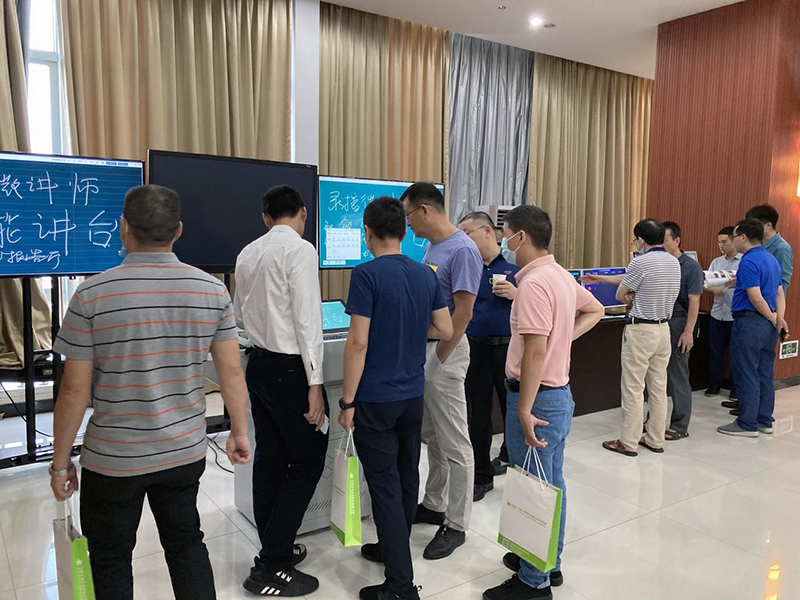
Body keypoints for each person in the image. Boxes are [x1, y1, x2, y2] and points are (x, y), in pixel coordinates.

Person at [49, 185, 252, 600]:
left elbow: (73, 390)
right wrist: (239, 431)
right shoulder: (212, 290)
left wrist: (60, 463)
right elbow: (231, 371)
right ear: (178, 231)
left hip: (113, 460)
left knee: (110, 559)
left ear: (123, 228)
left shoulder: (91, 294)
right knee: (186, 544)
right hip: (183, 452)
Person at [482, 205, 605, 600]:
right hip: (557, 396)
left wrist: (523, 408)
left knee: (534, 487)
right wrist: (561, 339)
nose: (504, 242)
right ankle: (547, 563)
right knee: (550, 484)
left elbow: (535, 352)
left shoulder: (534, 284)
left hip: (537, 399)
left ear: (521, 237)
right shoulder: (560, 275)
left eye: (506, 234)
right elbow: (595, 309)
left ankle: (533, 582)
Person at [337, 197, 453, 600]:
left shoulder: (366, 274)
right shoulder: (424, 274)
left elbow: (358, 343)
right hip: (412, 394)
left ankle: (401, 585)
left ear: (367, 232)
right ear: (404, 231)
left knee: (384, 484)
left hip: (375, 398)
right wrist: (408, 330)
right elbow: (446, 328)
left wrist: (347, 402)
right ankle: (392, 548)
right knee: (406, 474)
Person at [234, 185, 328, 596]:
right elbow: (308, 322)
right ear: (303, 213)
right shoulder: (301, 251)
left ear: (266, 217)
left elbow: (239, 316)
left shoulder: (247, 253)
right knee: (308, 460)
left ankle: (275, 546)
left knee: (270, 457)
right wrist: (315, 384)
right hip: (292, 371)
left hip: (259, 365)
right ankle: (272, 563)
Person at [401, 182, 482, 560]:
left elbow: (463, 312)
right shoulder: (433, 247)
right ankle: (434, 503)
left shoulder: (463, 249)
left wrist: (443, 355)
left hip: (445, 352)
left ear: (425, 210)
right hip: (428, 351)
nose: (408, 225)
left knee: (455, 442)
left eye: (409, 217)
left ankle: (457, 524)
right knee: (433, 435)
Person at [603, 219, 681, 457]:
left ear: (641, 240)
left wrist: (630, 296)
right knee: (658, 387)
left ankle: (628, 442)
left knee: (633, 387)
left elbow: (620, 294)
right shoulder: (674, 261)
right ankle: (655, 439)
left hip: (641, 330)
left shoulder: (640, 262)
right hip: (664, 329)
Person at [457, 211, 520, 501]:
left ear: (486, 231)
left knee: (514, 412)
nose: (462, 238)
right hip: (475, 348)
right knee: (477, 414)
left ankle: (517, 470)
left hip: (509, 348)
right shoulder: (465, 268)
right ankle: (481, 476)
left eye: (466, 232)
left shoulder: (516, 270)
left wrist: (517, 294)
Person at [717, 219, 786, 438]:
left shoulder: (748, 260)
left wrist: (772, 317)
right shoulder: (771, 259)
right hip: (768, 327)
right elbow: (779, 293)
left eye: (734, 237)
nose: (733, 240)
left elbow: (755, 297)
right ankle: (764, 420)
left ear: (744, 237)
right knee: (764, 373)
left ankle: (747, 423)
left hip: (750, 323)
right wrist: (778, 319)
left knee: (746, 372)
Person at [661, 222, 703, 441]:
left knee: (677, 373)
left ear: (677, 240)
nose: (661, 245)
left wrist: (688, 331)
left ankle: (679, 424)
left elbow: (695, 301)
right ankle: (654, 418)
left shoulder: (690, 267)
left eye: (665, 240)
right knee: (657, 374)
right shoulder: (660, 263)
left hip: (679, 322)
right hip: (660, 322)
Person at [705, 227, 741, 400]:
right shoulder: (716, 262)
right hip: (717, 313)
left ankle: (735, 388)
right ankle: (714, 385)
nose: (721, 245)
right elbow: (706, 282)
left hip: (736, 315)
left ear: (734, 240)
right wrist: (713, 290)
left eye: (724, 242)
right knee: (715, 352)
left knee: (737, 353)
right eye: (719, 242)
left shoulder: (744, 262)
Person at [745, 204, 793, 292]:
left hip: (768, 298)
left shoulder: (781, 248)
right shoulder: (756, 243)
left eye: (755, 226)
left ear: (768, 225)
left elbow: (783, 281)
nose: (750, 230)